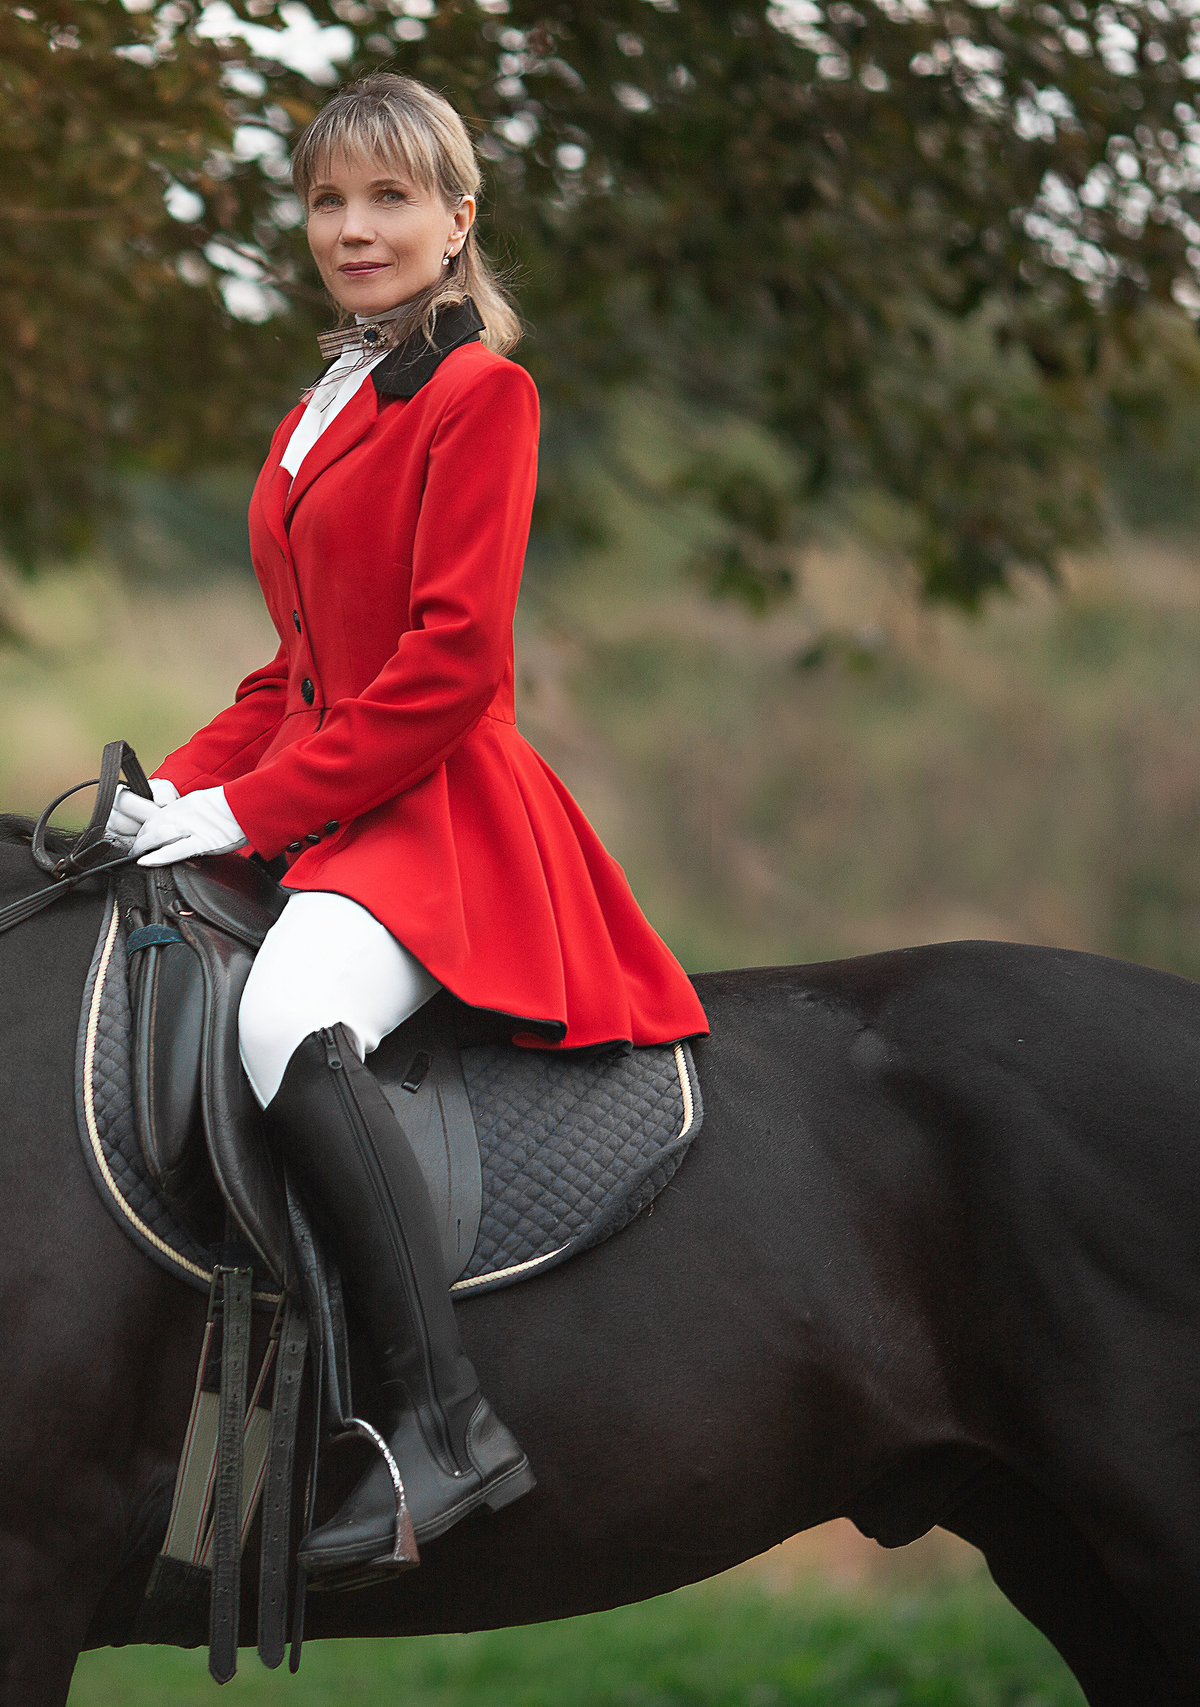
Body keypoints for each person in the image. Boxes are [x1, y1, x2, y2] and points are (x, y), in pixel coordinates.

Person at [109, 72, 711, 1587]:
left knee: (286, 1013)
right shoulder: (321, 406)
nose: (355, 228)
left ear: (457, 219)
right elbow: (293, 669)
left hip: (437, 814)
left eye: (390, 199)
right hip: (329, 796)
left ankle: (440, 1429)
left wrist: (251, 809)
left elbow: (446, 669)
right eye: (328, 201)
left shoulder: (478, 397)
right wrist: (175, 795)